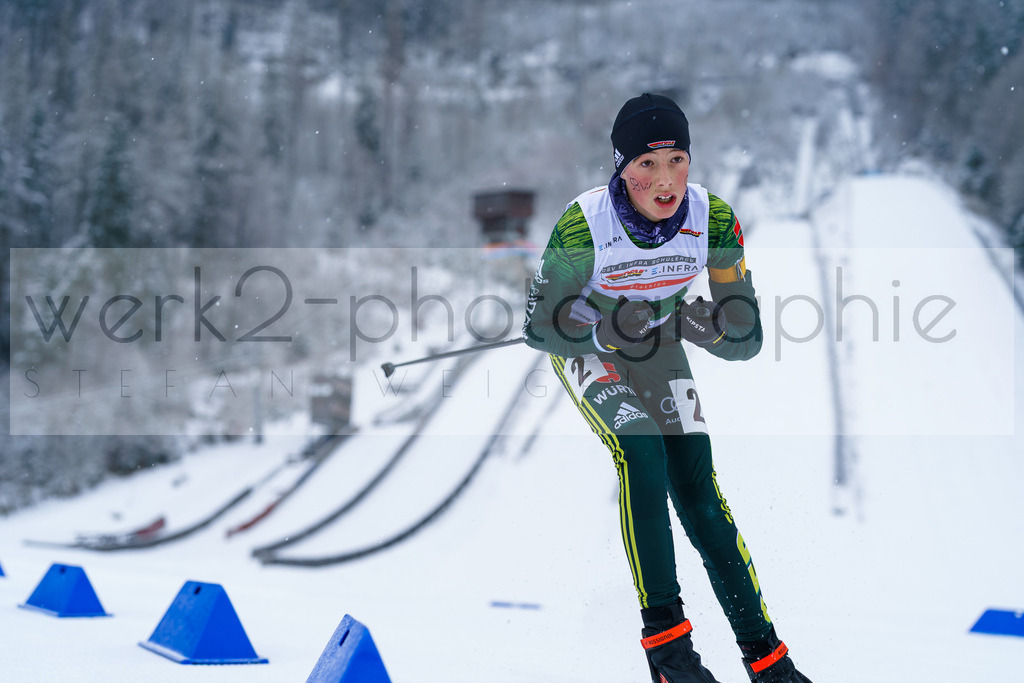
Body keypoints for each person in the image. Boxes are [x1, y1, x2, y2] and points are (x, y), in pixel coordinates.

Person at [522, 93, 812, 683]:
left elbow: (747, 338)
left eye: (677, 159)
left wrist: (699, 325)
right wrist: (599, 322)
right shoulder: (585, 224)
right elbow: (541, 328)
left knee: (700, 494)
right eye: (647, 164)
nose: (665, 180)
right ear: (622, 168)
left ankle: (768, 662)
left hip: (659, 348)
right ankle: (670, 654)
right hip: (593, 353)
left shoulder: (716, 219)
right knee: (641, 450)